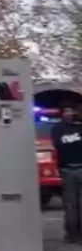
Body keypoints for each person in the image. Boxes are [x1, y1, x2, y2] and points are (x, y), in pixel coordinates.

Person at [51, 104, 82, 243]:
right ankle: (71, 234)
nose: (69, 113)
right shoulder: (58, 129)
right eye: (66, 111)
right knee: (70, 204)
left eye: (71, 110)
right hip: (67, 169)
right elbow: (58, 145)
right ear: (62, 113)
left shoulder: (79, 127)